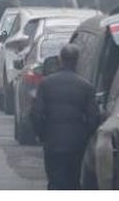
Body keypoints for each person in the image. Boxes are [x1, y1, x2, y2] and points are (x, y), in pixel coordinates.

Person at [31, 44, 100, 190]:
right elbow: (94, 117)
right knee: (73, 180)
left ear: (60, 60)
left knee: (55, 180)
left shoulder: (46, 84)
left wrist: (42, 134)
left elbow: (36, 113)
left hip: (53, 141)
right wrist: (84, 135)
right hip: (76, 143)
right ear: (77, 61)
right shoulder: (86, 86)